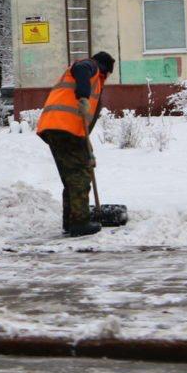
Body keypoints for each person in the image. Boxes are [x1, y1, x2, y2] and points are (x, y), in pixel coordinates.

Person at [36, 51, 116, 237]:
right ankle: (80, 223)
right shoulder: (91, 66)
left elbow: (83, 124)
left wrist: (88, 150)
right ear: (105, 69)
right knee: (80, 175)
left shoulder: (93, 83)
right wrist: (83, 97)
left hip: (54, 127)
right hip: (64, 127)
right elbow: (80, 68)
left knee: (70, 177)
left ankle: (70, 221)